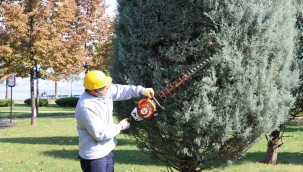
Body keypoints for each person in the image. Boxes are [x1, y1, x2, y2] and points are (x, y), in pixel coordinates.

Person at [75, 70, 154, 172]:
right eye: (106, 87)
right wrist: (120, 126)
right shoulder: (86, 107)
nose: (109, 87)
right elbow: (100, 134)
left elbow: (121, 90)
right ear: (95, 91)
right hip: (94, 157)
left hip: (107, 151)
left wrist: (142, 91)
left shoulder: (103, 92)